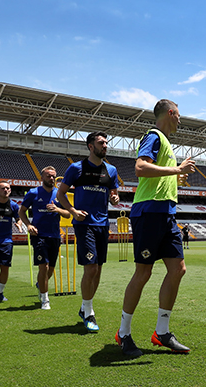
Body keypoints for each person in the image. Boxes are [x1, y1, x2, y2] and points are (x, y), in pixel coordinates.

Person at [116, 99, 196, 356]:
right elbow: (140, 168)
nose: (181, 120)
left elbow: (160, 177)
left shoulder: (167, 145)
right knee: (143, 274)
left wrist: (177, 177)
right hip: (148, 212)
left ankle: (161, 332)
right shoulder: (154, 136)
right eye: (179, 115)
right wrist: (176, 168)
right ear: (171, 113)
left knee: (178, 270)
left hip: (167, 214)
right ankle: (123, 333)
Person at [58, 131, 120, 332]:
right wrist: (73, 211)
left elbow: (114, 193)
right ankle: (89, 311)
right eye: (101, 142)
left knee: (98, 269)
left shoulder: (111, 170)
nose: (105, 146)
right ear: (90, 146)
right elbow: (60, 194)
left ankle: (85, 307)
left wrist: (114, 199)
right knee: (91, 268)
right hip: (84, 224)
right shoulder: (76, 168)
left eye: (106, 142)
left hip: (103, 224)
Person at [20, 166, 71, 310]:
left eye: (53, 176)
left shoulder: (59, 194)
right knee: (44, 267)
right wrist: (28, 225)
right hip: (39, 235)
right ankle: (45, 299)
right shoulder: (33, 193)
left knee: (50, 270)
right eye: (48, 176)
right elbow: (22, 211)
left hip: (54, 236)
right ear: (42, 177)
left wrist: (57, 209)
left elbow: (68, 214)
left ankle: (40, 285)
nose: (51, 178)